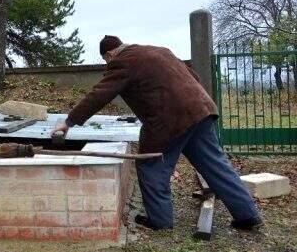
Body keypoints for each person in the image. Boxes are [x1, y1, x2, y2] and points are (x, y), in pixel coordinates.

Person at [52, 35, 262, 231]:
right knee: (216, 165)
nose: (108, 66)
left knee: (150, 165)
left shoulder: (123, 61)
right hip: (201, 110)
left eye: (107, 62)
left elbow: (100, 94)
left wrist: (69, 121)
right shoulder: (160, 51)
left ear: (109, 55)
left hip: (169, 120)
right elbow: (193, 75)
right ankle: (247, 215)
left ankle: (159, 221)